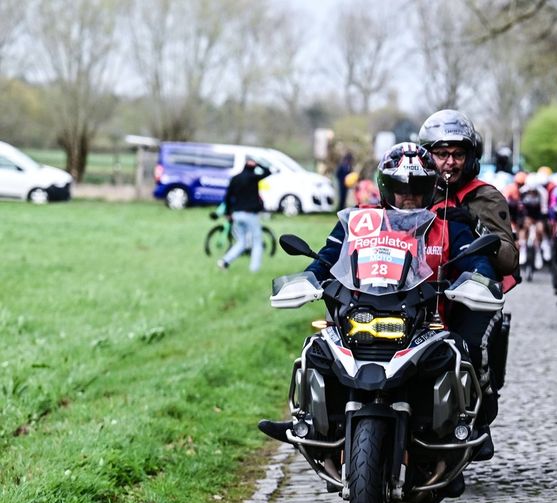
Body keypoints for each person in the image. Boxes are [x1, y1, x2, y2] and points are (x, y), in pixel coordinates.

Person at [259, 143, 500, 460]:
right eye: (400, 188)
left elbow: (477, 262)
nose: (409, 196)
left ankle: (460, 432)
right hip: (359, 315)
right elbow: (327, 258)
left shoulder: (449, 225)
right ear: (386, 188)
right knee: (316, 349)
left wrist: (476, 281)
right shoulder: (360, 220)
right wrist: (308, 279)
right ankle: (307, 423)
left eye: (418, 187)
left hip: (424, 324)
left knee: (457, 352)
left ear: (431, 188)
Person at [419, 109, 519, 280]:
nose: (451, 162)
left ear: (470, 158)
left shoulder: (486, 196)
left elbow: (509, 261)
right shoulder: (419, 193)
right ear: (427, 157)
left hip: (470, 290)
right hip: (418, 289)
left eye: (459, 154)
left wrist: (475, 224)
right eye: (442, 154)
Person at [218, 159, 266, 272]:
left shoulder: (235, 179)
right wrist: (258, 164)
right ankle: (254, 269)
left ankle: (224, 261)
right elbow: (268, 172)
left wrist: (228, 213)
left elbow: (228, 197)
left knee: (241, 242)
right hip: (251, 214)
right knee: (257, 242)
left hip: (237, 214)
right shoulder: (254, 178)